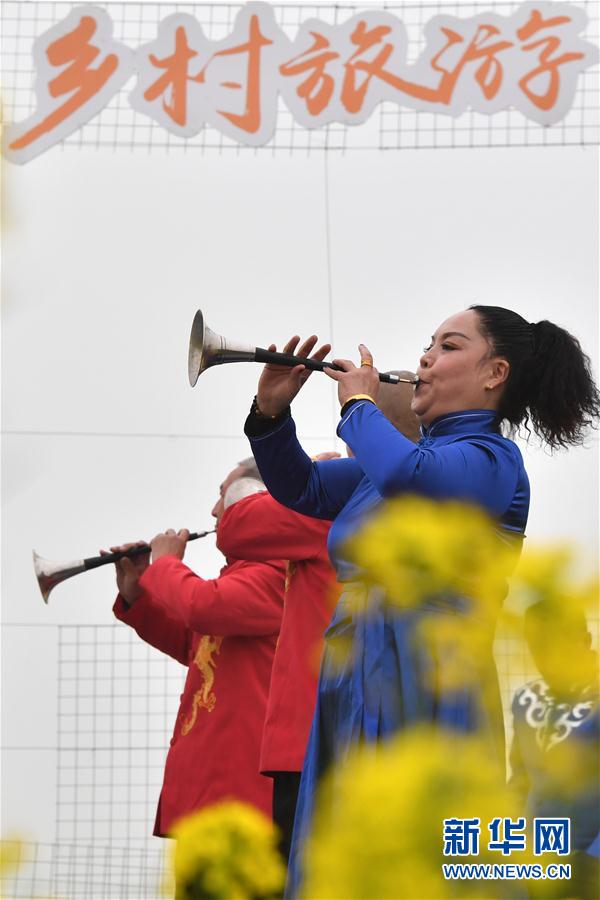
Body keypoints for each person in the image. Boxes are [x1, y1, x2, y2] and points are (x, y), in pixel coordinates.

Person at [243, 306, 600, 894]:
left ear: (494, 374)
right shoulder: (380, 474)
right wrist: (271, 414)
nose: (424, 358)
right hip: (354, 675)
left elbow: (412, 474)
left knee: (420, 860)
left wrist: (358, 406)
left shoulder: (490, 461)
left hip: (426, 679)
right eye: (427, 344)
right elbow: (301, 486)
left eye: (449, 346)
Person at [218, 375, 421, 864]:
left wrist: (244, 485)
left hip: (317, 730)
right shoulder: (387, 488)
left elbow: (238, 526)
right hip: (354, 724)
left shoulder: (353, 498)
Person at [110, 459, 286, 837]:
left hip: (241, 798)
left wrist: (166, 566)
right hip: (209, 794)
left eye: (224, 495)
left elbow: (201, 607)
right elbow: (196, 644)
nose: (214, 510)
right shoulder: (241, 575)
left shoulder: (277, 572)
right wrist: (138, 593)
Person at [509, 600, 599, 898]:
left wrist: (591, 861)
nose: (547, 660)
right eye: (537, 648)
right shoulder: (525, 701)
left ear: (585, 642)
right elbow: (520, 781)